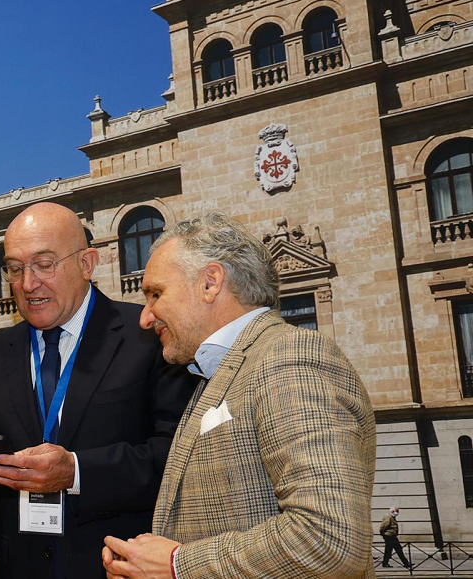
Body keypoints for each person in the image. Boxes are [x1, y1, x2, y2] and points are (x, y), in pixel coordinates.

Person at [0, 202, 195, 578]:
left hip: (117, 567)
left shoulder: (147, 338)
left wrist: (76, 472)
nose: (28, 284)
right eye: (15, 269)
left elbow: (176, 459)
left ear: (87, 263)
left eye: (44, 264)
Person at [101, 212, 376, 579]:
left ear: (210, 283)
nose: (145, 317)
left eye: (156, 293)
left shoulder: (288, 357)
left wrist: (176, 565)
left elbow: (329, 538)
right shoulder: (215, 373)